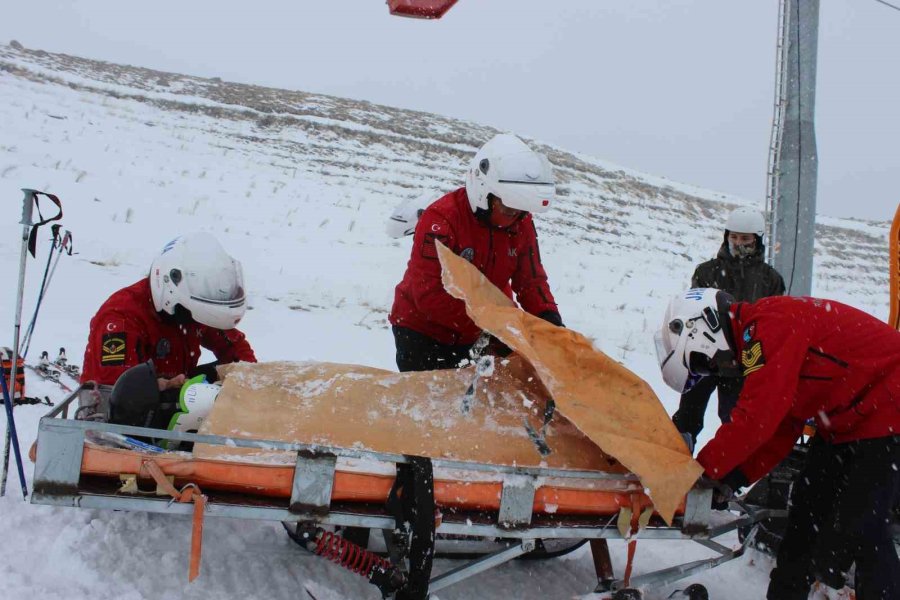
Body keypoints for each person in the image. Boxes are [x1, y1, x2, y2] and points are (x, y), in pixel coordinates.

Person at [656, 288, 900, 599]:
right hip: (845, 422)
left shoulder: (771, 324)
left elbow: (756, 419)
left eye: (705, 362)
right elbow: (781, 428)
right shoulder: (758, 339)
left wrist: (701, 472)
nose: (714, 368)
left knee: (863, 525)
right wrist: (731, 477)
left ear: (703, 328)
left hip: (889, 409)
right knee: (805, 519)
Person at [388, 133, 563, 372]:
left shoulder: (520, 222)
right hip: (422, 330)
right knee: (433, 403)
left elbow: (531, 281)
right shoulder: (441, 219)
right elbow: (428, 294)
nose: (516, 218)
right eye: (508, 209)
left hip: (483, 330)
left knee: (477, 404)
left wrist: (550, 322)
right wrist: (493, 327)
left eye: (522, 211)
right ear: (483, 192)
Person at [79, 232, 256, 419]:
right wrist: (163, 386)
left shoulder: (193, 310)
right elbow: (119, 391)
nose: (198, 323)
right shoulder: (121, 319)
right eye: (192, 315)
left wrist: (251, 382)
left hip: (174, 399)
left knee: (230, 373)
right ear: (169, 292)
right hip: (115, 414)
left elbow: (235, 348)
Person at [672, 207, 785, 448]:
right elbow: (693, 309)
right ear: (726, 237)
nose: (738, 243)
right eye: (733, 237)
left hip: (745, 361)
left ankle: (724, 475)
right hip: (705, 356)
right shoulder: (706, 271)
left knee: (735, 422)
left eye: (745, 238)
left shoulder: (770, 279)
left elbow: (773, 324)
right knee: (687, 419)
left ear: (757, 240)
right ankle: (676, 466)